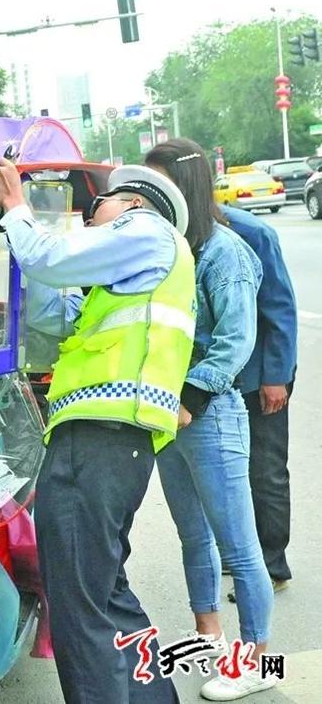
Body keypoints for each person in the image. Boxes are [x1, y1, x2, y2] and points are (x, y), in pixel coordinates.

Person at [0, 160, 196, 704]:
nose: (87, 213)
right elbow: (45, 310)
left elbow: (53, 257)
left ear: (133, 203)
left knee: (80, 608)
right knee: (103, 591)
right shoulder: (123, 286)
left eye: (97, 204)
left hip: (97, 444)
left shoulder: (148, 232)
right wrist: (13, 232)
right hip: (110, 445)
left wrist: (18, 208)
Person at [144, 139, 276, 701]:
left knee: (238, 547)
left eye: (157, 186)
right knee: (192, 536)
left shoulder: (226, 253)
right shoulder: (169, 249)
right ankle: (209, 636)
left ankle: (258, 661)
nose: (147, 197)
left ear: (184, 187)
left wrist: (190, 400)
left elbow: (235, 342)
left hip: (208, 415)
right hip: (165, 415)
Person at [220, 205, 297, 601]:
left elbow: (280, 310)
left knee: (264, 470)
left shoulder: (252, 233)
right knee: (227, 468)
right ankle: (241, 555)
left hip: (262, 375)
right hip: (220, 375)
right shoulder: (179, 228)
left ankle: (271, 566)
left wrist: (275, 377)